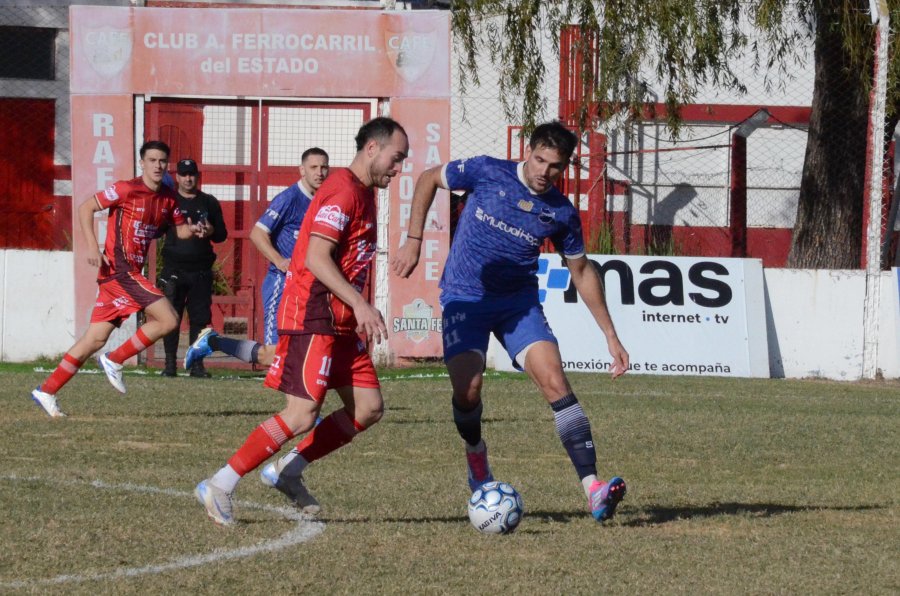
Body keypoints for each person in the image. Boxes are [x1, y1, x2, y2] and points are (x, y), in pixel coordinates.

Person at [391, 121, 630, 523]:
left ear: (565, 167)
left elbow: (582, 271)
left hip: (517, 304)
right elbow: (429, 178)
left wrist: (611, 335)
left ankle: (593, 489)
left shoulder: (560, 212)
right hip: (465, 297)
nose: (544, 172)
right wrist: (414, 239)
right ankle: (476, 457)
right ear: (528, 150)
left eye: (555, 166)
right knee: (468, 390)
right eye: (539, 160)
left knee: (556, 382)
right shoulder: (486, 170)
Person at [195, 118, 408, 525]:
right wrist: (360, 304)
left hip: (341, 322)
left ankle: (287, 471)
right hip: (314, 314)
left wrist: (355, 311)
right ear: (372, 149)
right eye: (395, 158)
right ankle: (220, 483)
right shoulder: (343, 191)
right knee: (300, 414)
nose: (398, 168)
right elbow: (315, 257)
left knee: (368, 408)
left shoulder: (363, 193)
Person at [30, 140, 204, 417]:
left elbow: (180, 231)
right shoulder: (126, 189)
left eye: (162, 161)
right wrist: (91, 246)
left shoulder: (169, 198)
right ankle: (115, 359)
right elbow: (86, 208)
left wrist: (195, 229)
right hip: (121, 272)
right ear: (142, 163)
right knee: (169, 319)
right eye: (152, 160)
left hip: (125, 275)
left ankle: (47, 390)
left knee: (94, 340)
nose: (158, 165)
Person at [182, 148, 329, 371]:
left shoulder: (322, 200)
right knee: (273, 355)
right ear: (302, 170)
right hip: (281, 283)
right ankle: (213, 341)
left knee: (302, 350)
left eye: (324, 167)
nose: (319, 172)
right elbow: (257, 233)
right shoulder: (288, 199)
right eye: (313, 167)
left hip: (305, 286)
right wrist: (280, 261)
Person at [158, 158, 228, 378]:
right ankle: (169, 364)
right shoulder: (168, 201)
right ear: (177, 177)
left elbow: (222, 234)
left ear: (197, 177)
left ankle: (196, 365)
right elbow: (158, 228)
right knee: (171, 317)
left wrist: (209, 230)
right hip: (174, 269)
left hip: (200, 271)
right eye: (184, 174)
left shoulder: (208, 202)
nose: (188, 179)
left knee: (199, 319)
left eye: (192, 174)